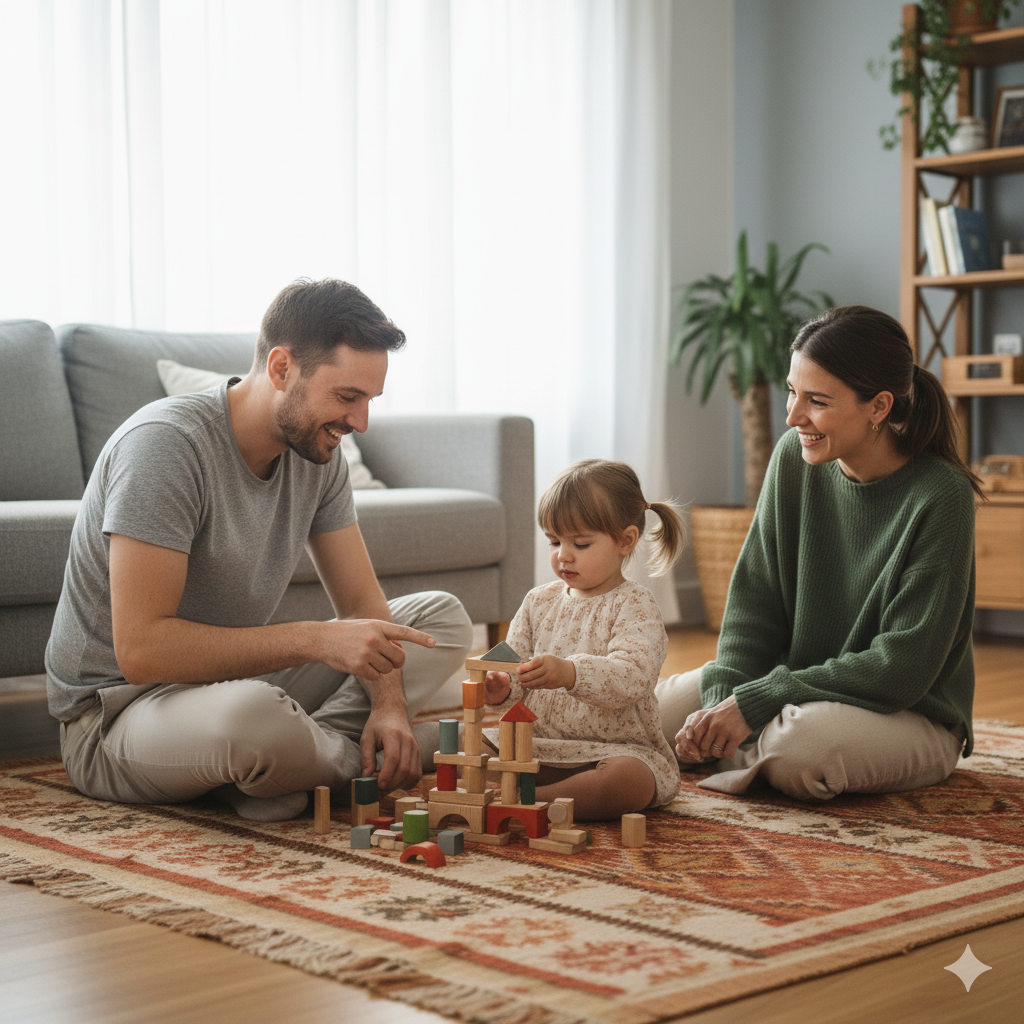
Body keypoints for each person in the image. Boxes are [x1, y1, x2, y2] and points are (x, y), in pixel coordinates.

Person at [45, 278, 474, 822]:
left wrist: (388, 705)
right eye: (348, 397)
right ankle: (370, 759)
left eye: (369, 400)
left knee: (440, 618)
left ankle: (296, 762)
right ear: (280, 369)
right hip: (117, 717)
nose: (360, 422)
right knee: (253, 717)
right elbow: (142, 652)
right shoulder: (165, 446)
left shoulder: (320, 456)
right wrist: (317, 640)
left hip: (230, 688)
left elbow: (364, 607)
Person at [656, 304, 981, 801]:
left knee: (802, 750)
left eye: (817, 400)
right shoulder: (794, 458)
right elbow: (752, 609)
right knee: (648, 713)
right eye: (791, 391)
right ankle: (747, 750)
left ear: (879, 407)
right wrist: (728, 700)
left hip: (911, 714)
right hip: (802, 686)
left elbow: (902, 668)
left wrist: (761, 700)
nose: (792, 416)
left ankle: (750, 752)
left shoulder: (943, 496)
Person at [481, 459, 685, 820]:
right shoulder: (537, 601)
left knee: (629, 782)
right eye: (554, 541)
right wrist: (501, 686)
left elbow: (633, 676)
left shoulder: (635, 604)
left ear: (625, 541)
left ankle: (526, 800)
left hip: (613, 752)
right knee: (474, 748)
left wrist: (571, 673)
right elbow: (512, 668)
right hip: (539, 747)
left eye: (581, 543)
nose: (563, 555)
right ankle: (526, 793)